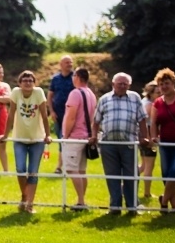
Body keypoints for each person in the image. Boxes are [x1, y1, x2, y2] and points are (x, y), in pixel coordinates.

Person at [91, 72, 149, 215]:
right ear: (113, 85)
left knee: (131, 175)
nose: (122, 86)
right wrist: (93, 136)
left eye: (125, 84)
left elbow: (142, 119)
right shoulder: (104, 99)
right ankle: (115, 207)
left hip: (129, 143)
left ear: (129, 85)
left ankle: (132, 206)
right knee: (112, 176)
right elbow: (96, 120)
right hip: (108, 144)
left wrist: (144, 138)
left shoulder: (135, 98)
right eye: (119, 84)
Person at [0, 70, 52, 213]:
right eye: (25, 80)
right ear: (19, 83)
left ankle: (29, 204)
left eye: (30, 80)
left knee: (33, 172)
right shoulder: (16, 93)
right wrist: (5, 135)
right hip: (20, 138)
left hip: (37, 139)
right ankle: (24, 196)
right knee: (20, 169)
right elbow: (10, 115)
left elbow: (44, 115)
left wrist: (47, 135)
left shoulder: (39, 92)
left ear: (34, 83)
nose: (28, 83)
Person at [61, 68, 97, 211]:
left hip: (75, 136)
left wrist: (66, 135)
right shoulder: (91, 94)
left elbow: (71, 116)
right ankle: (81, 200)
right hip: (86, 136)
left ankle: (81, 202)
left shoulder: (75, 93)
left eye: (74, 75)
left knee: (71, 169)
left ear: (78, 77)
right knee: (81, 170)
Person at [150, 68, 175, 213]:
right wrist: (153, 137)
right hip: (165, 143)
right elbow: (154, 123)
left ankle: (163, 201)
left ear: (173, 83)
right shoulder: (157, 102)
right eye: (161, 84)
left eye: (166, 83)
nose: (164, 86)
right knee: (167, 175)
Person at [48, 55, 74, 173]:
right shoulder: (55, 79)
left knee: (71, 140)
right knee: (60, 139)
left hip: (72, 115)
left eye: (71, 62)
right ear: (61, 64)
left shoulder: (75, 78)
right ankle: (59, 166)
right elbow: (50, 96)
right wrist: (52, 111)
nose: (70, 64)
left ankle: (68, 166)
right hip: (58, 115)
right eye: (67, 62)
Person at [140, 81, 160, 199]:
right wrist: (149, 139)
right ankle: (147, 193)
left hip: (144, 138)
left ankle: (126, 183)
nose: (159, 94)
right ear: (150, 93)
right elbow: (146, 124)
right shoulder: (149, 105)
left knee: (143, 166)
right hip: (147, 139)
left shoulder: (147, 103)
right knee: (149, 166)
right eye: (157, 92)